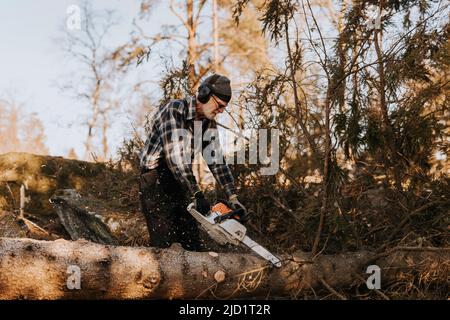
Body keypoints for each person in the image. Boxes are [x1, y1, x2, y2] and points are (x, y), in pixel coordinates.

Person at [139, 74, 247, 251]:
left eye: (223, 108)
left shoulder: (207, 123)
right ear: (204, 94)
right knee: (164, 243)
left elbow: (217, 161)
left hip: (179, 180)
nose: (220, 111)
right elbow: (176, 158)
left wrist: (232, 196)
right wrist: (197, 193)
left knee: (191, 241)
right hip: (154, 178)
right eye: (219, 105)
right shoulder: (174, 110)